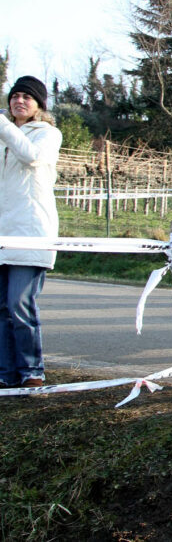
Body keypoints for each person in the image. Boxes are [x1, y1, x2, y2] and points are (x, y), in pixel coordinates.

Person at [0, 76, 62, 389]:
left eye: (27, 97)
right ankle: (6, 373)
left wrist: (3, 125)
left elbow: (32, 156)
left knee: (19, 304)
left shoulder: (47, 134)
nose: (19, 101)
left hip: (31, 231)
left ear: (39, 104)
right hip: (3, 231)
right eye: (15, 96)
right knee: (1, 308)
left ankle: (31, 371)